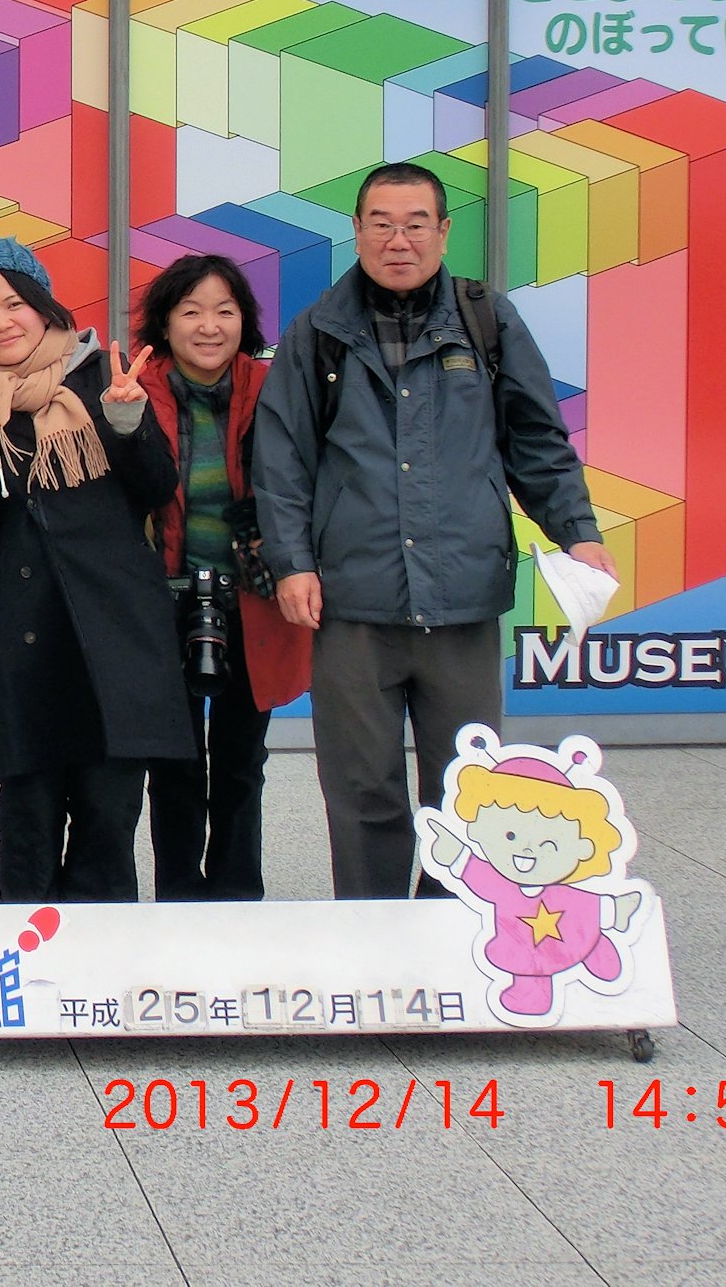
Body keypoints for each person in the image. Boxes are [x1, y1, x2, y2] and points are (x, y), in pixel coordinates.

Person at [254, 161, 616, 900]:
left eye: (416, 224)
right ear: (357, 232)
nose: (400, 240)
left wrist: (577, 531)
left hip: (463, 596)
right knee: (362, 791)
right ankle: (375, 934)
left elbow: (537, 443)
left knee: (467, 792)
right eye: (382, 224)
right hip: (354, 601)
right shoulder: (317, 333)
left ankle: (455, 936)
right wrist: (292, 562)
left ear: (444, 232)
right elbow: (282, 459)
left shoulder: (487, 321)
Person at [0, 236, 195, 903]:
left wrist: (127, 424)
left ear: (44, 307)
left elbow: (156, 488)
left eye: (14, 303)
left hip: (113, 640)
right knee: (27, 833)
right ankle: (27, 959)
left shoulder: (104, 380)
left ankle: (98, 964)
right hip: (25, 644)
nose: (2, 323)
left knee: (107, 827)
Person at [133, 254, 311, 901]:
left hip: (252, 600)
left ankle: (239, 899)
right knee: (173, 764)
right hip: (164, 601)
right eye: (192, 311)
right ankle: (179, 898)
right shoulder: (133, 390)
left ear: (245, 321)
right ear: (165, 322)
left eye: (224, 311)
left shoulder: (275, 389)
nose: (209, 326)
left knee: (241, 762)